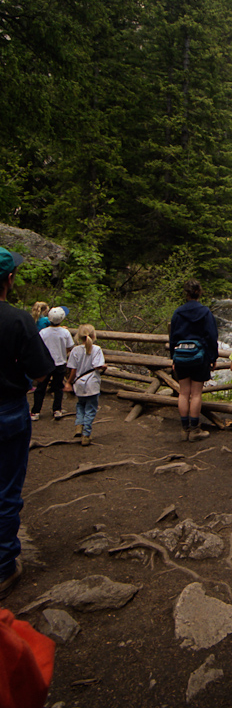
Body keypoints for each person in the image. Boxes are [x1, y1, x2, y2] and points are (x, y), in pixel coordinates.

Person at [0, 247, 55, 598]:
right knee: (5, 491)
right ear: (8, 279)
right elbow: (41, 370)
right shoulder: (18, 320)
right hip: (7, 411)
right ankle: (3, 566)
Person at [169, 279, 218, 442]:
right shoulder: (205, 312)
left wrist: (172, 357)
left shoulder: (178, 312)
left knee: (183, 393)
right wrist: (213, 357)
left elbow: (172, 337)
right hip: (200, 356)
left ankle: (184, 429)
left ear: (186, 293)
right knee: (196, 393)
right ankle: (195, 429)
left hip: (181, 356)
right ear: (200, 293)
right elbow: (212, 336)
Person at [65, 324, 105, 447]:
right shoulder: (97, 349)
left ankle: (79, 424)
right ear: (93, 335)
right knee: (91, 409)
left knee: (80, 405)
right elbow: (98, 366)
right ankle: (86, 435)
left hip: (79, 384)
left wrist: (69, 382)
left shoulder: (75, 350)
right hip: (92, 384)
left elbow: (72, 369)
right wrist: (104, 367)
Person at [33, 307, 73, 421]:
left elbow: (38, 346)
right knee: (58, 387)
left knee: (41, 387)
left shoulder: (43, 332)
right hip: (60, 363)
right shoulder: (65, 332)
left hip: (45, 363)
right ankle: (57, 410)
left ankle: (36, 411)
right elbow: (70, 346)